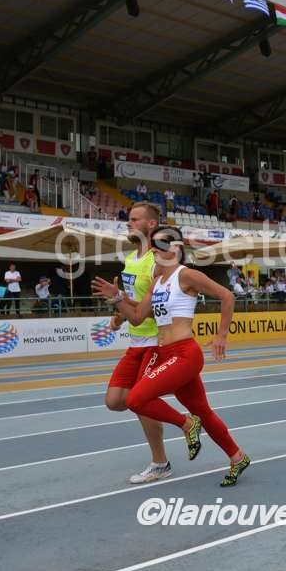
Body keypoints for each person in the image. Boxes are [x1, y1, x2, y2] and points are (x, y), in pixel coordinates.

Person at [92, 226, 251, 487]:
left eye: (160, 245)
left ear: (176, 248)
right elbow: (137, 316)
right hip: (166, 354)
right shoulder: (157, 281)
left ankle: (187, 425)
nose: (154, 249)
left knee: (136, 399)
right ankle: (238, 457)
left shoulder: (186, 275)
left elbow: (227, 296)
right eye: (153, 245)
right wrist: (118, 298)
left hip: (185, 354)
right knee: (203, 412)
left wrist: (221, 335)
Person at [101, 202, 173, 484]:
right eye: (128, 218)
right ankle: (174, 415)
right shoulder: (131, 258)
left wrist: (121, 302)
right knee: (115, 400)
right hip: (135, 341)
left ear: (151, 224)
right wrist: (120, 315)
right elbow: (132, 300)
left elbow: (161, 306)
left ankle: (160, 463)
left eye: (134, 219)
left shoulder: (158, 260)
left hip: (156, 341)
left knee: (140, 400)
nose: (128, 223)